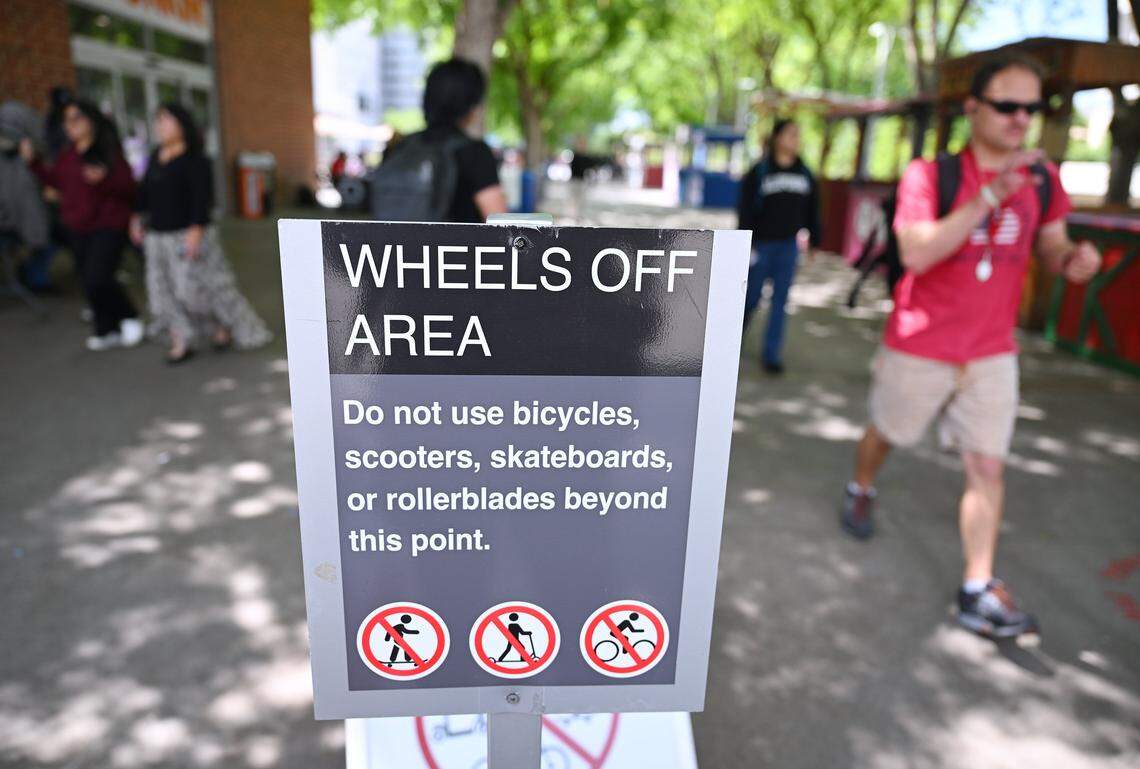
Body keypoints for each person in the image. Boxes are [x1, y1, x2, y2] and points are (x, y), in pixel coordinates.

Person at [839, 55, 1102, 639]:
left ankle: (976, 589)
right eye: (1007, 105)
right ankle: (862, 487)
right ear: (973, 108)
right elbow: (916, 253)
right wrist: (991, 196)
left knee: (987, 466)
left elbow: (1052, 246)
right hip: (921, 341)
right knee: (886, 433)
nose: (1020, 119)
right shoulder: (929, 177)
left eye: (1032, 108)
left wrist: (1071, 261)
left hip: (990, 350)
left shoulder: (1044, 178)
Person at [130, 104, 271, 363]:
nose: (161, 125)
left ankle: (220, 324)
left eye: (166, 119)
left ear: (182, 124)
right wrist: (136, 219)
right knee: (162, 292)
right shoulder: (154, 157)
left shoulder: (196, 160)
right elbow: (144, 194)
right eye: (158, 120)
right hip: (157, 237)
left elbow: (200, 200)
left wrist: (195, 230)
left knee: (193, 291)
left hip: (186, 234)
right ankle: (180, 339)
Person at [23, 99, 143, 350]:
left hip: (108, 224)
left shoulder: (108, 152)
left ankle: (129, 315)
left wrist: (104, 180)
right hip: (77, 226)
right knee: (88, 281)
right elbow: (55, 181)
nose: (70, 125)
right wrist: (33, 162)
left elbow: (129, 189)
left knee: (99, 276)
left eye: (76, 118)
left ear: (91, 120)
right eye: (67, 120)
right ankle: (106, 328)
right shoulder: (68, 157)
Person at [736, 119, 821, 374]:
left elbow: (813, 211)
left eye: (798, 135)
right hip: (761, 246)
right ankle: (731, 343)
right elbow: (745, 210)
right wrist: (745, 243)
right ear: (777, 138)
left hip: (788, 247)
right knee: (750, 298)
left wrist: (816, 241)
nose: (795, 139)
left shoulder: (805, 174)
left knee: (780, 302)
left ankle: (771, 355)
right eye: (791, 134)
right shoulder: (760, 172)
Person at [378, 58, 507, 223]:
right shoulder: (475, 153)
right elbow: (503, 226)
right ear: (470, 104)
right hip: (454, 248)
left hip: (396, 247)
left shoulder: (398, 148)